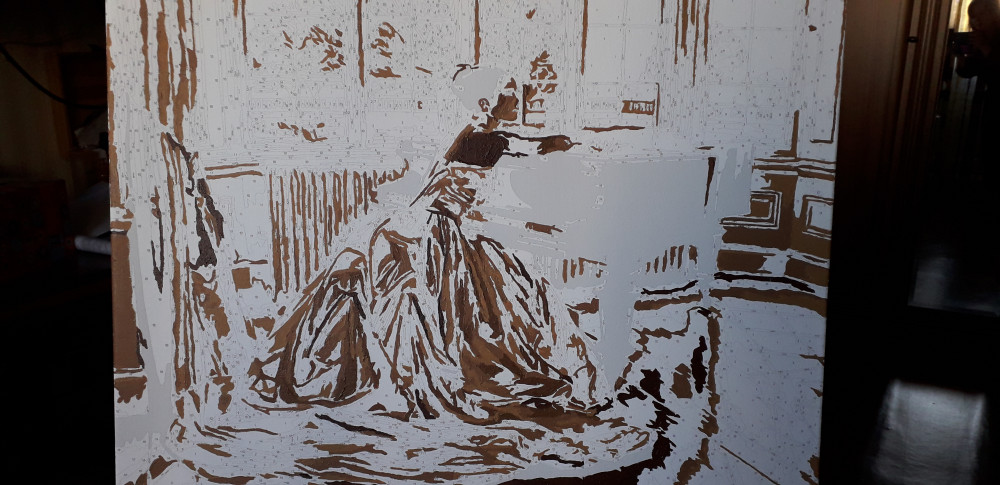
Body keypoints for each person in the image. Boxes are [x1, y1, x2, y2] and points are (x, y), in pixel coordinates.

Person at [248, 74, 607, 427]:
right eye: (509, 94)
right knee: (462, 298)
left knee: (482, 291)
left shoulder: (472, 135)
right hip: (430, 229)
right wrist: (569, 142)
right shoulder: (484, 138)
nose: (517, 99)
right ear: (489, 103)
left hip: (423, 224)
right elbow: (533, 147)